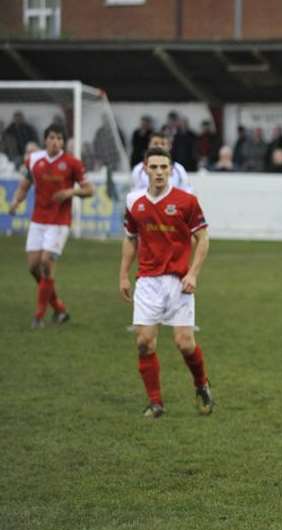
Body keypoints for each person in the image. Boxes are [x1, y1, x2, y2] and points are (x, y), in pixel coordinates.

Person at [119, 147, 213, 418]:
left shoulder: (187, 201)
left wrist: (193, 273)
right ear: (145, 169)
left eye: (164, 167)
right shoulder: (134, 201)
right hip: (147, 281)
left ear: (171, 170)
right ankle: (156, 402)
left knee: (184, 343)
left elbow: (203, 238)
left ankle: (201, 384)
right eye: (154, 167)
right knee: (144, 342)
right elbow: (130, 238)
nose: (159, 172)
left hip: (178, 280)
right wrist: (124, 274)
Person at [8, 124, 94, 328]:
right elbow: (24, 186)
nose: (56, 141)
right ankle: (59, 308)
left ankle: (38, 316)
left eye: (59, 138)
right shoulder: (34, 160)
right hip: (38, 220)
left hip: (59, 222)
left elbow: (89, 190)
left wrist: (70, 193)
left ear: (63, 142)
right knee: (33, 268)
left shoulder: (72, 163)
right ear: (45, 140)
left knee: (46, 263)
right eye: (52, 137)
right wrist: (15, 202)